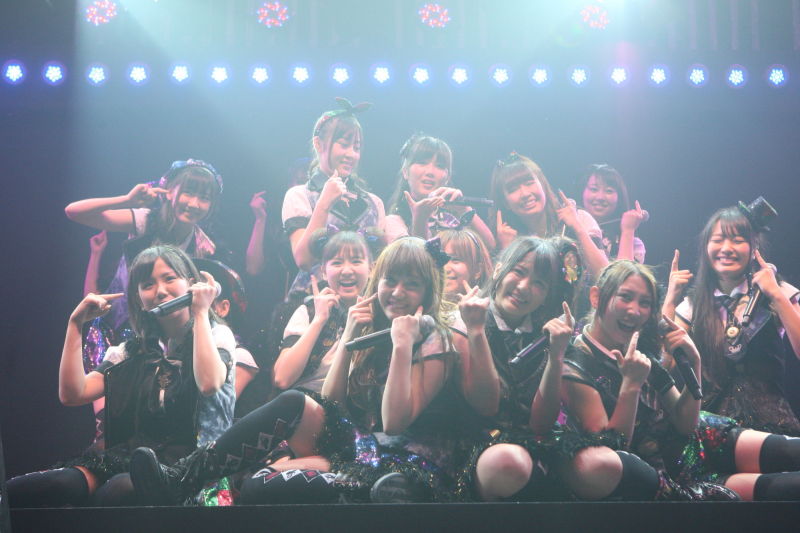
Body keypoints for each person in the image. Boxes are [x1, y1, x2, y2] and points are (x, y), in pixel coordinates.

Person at [129, 238, 463, 505]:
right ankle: (183, 478)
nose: (397, 292)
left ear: (428, 292)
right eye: (390, 280)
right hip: (365, 451)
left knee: (263, 487)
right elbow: (332, 402)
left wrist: (403, 345)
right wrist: (349, 334)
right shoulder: (370, 328)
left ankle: (378, 494)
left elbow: (394, 423)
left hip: (409, 465)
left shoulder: (437, 338)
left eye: (411, 285)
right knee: (283, 423)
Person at [7, 246, 235, 507]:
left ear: (191, 283)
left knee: (117, 490)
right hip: (134, 458)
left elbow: (208, 384)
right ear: (138, 298)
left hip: (191, 467)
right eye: (148, 285)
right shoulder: (132, 351)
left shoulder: (217, 335)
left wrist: (201, 311)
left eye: (170, 278)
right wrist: (75, 324)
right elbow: (73, 394)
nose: (160, 291)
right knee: (58, 484)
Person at [562, 260, 800, 501]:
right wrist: (631, 387)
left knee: (791, 451)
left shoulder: (639, 348)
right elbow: (614, 454)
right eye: (625, 297)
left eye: (645, 303)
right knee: (790, 488)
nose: (635, 311)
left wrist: (694, 362)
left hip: (702, 440)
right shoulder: (576, 366)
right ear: (596, 297)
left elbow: (686, 424)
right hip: (668, 476)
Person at [452, 236, 580, 501]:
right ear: (498, 269)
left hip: (529, 446)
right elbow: (484, 407)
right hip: (469, 446)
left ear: (546, 295)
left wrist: (556, 356)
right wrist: (475, 331)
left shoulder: (545, 334)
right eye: (519, 272)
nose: (524, 287)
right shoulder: (465, 318)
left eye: (539, 283)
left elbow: (541, 424)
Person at [664, 204, 800, 435]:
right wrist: (669, 301)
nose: (726, 248)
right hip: (712, 428)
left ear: (754, 247)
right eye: (718, 240)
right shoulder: (692, 305)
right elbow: (665, 366)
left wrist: (776, 294)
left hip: (773, 425)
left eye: (737, 240)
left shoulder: (779, 292)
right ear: (706, 247)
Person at [281, 98, 386, 298]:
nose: (351, 154)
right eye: (344, 145)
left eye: (356, 148)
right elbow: (303, 260)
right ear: (318, 144)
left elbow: (381, 264)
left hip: (363, 304)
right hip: (314, 301)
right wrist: (324, 203)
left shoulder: (373, 203)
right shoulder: (300, 195)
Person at [489, 153, 607, 280]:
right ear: (506, 203)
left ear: (542, 184)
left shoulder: (580, 218)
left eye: (529, 183)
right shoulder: (507, 238)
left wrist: (578, 229)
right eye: (513, 189)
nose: (525, 194)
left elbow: (605, 277)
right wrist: (507, 250)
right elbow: (501, 287)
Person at [384, 134, 495, 248]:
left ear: (447, 177)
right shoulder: (393, 222)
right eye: (422, 163)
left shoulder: (456, 218)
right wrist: (420, 219)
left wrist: (464, 210)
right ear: (405, 172)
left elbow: (489, 247)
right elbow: (414, 258)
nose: (430, 172)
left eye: (439, 166)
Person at [576, 164, 647, 262]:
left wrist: (628, 230)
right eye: (594, 189)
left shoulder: (634, 245)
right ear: (582, 192)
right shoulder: (567, 228)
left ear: (619, 198)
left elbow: (624, 272)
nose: (600, 197)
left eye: (609, 191)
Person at [437, 228, 493, 302]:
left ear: (477, 270)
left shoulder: (487, 306)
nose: (444, 268)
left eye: (455, 259)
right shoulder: (425, 303)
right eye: (439, 258)